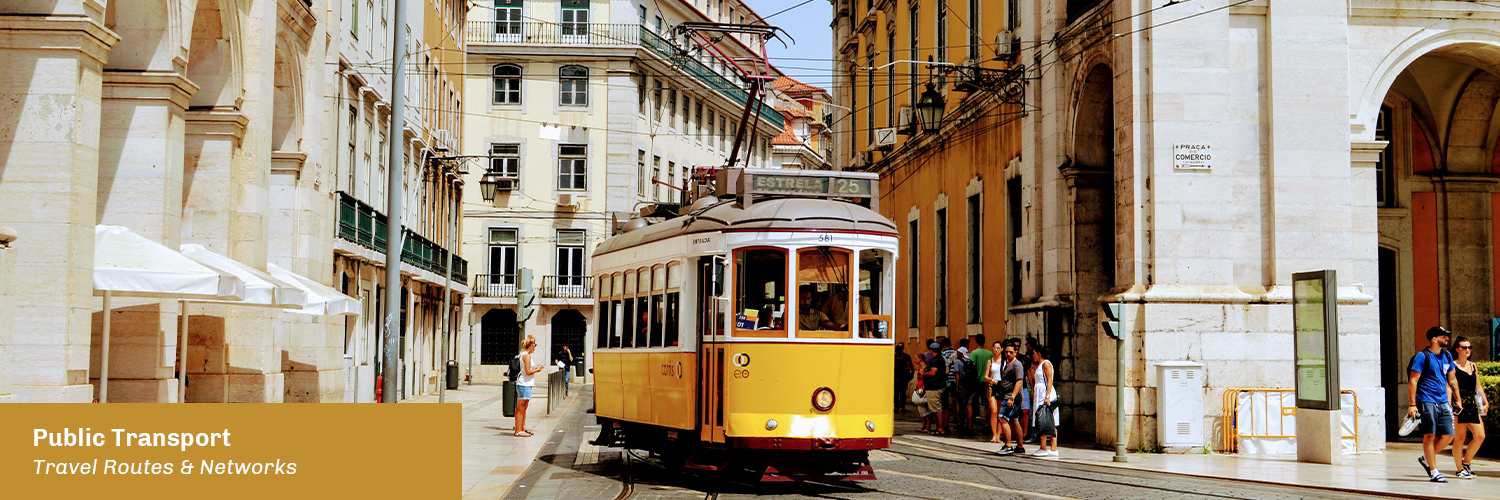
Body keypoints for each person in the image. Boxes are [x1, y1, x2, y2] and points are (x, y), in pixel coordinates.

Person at [1408, 326, 1461, 482]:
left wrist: (1458, 399)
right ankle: (1434, 470)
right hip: (1426, 400)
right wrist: (1412, 405)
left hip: (1443, 401)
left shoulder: (1447, 356)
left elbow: (1452, 379)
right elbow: (1413, 380)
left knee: (1449, 435)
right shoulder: (1422, 356)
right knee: (1429, 435)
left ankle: (1426, 458)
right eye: (1443, 336)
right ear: (1434, 339)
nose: (1446, 338)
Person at [1452, 336, 1487, 479]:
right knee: (1460, 438)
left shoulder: (1473, 366)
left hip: (1472, 403)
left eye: (1469, 347)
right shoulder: (1452, 365)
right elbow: (1451, 386)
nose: (1468, 350)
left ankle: (1466, 463)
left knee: (1480, 435)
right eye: (1464, 347)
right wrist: (1454, 403)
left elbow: (1477, 385)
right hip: (1459, 404)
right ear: (1457, 349)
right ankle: (1459, 469)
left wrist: (1485, 401)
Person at [992, 343, 1028, 455]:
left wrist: (1012, 397)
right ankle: (1020, 447)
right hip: (1007, 396)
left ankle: (1008, 445)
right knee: (1014, 420)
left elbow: (1019, 381)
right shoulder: (1007, 363)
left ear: (1016, 352)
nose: (1008, 354)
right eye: (1006, 352)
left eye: (1011, 352)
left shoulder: (1017, 365)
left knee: (1002, 419)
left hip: (1011, 397)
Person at [1030, 346, 1059, 457]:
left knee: (1045, 420)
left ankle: (1048, 448)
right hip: (1040, 393)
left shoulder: (1046, 364)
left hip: (1045, 394)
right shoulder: (1039, 365)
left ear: (1039, 353)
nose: (1033, 355)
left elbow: (1050, 380)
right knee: (1044, 420)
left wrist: (1047, 396)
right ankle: (1047, 447)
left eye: (1034, 353)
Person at [515, 335, 545, 438]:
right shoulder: (526, 355)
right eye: (534, 345)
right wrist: (537, 370)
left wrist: (535, 368)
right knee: (521, 408)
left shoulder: (524, 354)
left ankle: (523, 428)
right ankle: (518, 430)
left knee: (524, 407)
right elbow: (527, 372)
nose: (535, 347)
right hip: (524, 383)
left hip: (526, 383)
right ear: (530, 345)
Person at [921, 341, 948, 435]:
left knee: (937, 409)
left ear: (931, 350)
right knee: (937, 408)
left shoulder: (937, 360)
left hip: (935, 388)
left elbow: (933, 372)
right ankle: (939, 427)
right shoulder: (939, 358)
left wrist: (923, 373)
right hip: (937, 386)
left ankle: (940, 428)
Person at [970, 335, 994, 437]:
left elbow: (972, 367)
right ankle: (987, 423)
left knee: (970, 402)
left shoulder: (974, 353)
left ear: (976, 341)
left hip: (977, 380)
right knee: (988, 403)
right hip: (987, 380)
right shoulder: (990, 353)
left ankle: (970, 426)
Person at [895, 342, 914, 413]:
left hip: (904, 377)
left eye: (898, 353)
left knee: (903, 393)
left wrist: (901, 367)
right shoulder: (894, 357)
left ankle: (902, 406)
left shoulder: (906, 357)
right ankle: (896, 406)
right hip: (895, 377)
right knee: (895, 393)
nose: (897, 354)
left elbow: (909, 366)